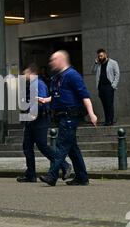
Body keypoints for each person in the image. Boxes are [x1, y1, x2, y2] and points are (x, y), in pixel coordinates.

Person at [37, 51, 98, 186]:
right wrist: (46, 100)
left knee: (62, 145)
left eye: (54, 60)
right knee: (72, 148)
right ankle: (82, 177)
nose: (51, 63)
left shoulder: (72, 75)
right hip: (61, 116)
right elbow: (59, 95)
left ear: (61, 60)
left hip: (70, 115)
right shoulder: (57, 77)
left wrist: (92, 114)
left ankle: (52, 175)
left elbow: (84, 95)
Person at [16, 64, 72, 183]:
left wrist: (32, 113)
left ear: (32, 74)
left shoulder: (38, 84)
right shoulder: (30, 85)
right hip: (31, 120)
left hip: (40, 119)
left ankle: (64, 165)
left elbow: (41, 101)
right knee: (27, 146)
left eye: (26, 73)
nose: (24, 75)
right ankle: (30, 174)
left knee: (42, 145)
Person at [92, 49, 120, 126]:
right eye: (99, 56)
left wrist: (113, 85)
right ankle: (107, 120)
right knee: (104, 104)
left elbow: (117, 74)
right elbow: (93, 71)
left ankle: (111, 120)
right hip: (101, 87)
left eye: (101, 55)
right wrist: (95, 63)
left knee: (109, 104)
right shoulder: (98, 64)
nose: (100, 57)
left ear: (105, 54)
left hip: (109, 87)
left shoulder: (113, 63)